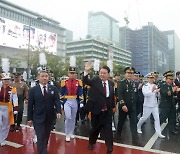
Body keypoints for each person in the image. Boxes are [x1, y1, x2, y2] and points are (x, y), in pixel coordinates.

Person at [83, 61, 115, 154]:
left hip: (107, 112)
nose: (102, 74)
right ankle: (91, 142)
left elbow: (111, 97)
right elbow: (86, 81)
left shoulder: (111, 83)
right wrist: (86, 71)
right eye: (101, 72)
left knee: (108, 130)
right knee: (95, 130)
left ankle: (109, 148)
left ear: (108, 74)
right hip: (96, 111)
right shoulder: (95, 80)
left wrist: (113, 107)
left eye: (104, 73)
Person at [27, 70, 62, 154]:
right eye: (42, 76)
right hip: (38, 117)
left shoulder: (53, 88)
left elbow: (57, 101)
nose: (44, 78)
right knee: (40, 136)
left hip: (49, 117)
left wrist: (58, 111)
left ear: (48, 77)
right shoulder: (33, 90)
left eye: (46, 76)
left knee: (46, 136)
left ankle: (44, 150)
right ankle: (41, 152)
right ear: (38, 78)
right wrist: (29, 118)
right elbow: (30, 105)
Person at [137, 73, 165, 138]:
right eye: (150, 78)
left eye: (152, 78)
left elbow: (157, 95)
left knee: (157, 119)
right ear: (147, 79)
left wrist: (157, 92)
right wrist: (152, 90)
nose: (151, 79)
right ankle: (138, 126)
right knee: (144, 118)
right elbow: (146, 95)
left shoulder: (155, 85)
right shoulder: (145, 86)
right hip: (147, 105)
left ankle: (158, 132)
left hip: (154, 104)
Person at [117, 67, 140, 146]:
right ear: (125, 74)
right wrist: (123, 104)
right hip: (124, 107)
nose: (130, 75)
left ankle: (135, 140)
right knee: (121, 122)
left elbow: (135, 95)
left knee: (133, 123)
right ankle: (118, 135)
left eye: (131, 73)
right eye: (128, 73)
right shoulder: (121, 83)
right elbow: (119, 95)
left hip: (132, 107)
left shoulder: (135, 83)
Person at [60, 67, 84, 142]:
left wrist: (81, 102)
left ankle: (71, 132)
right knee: (68, 117)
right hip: (67, 101)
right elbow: (61, 93)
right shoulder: (64, 82)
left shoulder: (78, 82)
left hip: (74, 100)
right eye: (71, 73)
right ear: (68, 74)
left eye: (73, 73)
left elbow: (80, 92)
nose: (72, 74)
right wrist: (60, 102)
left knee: (73, 118)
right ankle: (67, 133)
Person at [159, 71, 180, 135]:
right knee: (163, 117)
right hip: (165, 104)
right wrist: (173, 90)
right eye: (170, 79)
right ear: (166, 79)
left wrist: (175, 92)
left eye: (172, 79)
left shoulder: (170, 85)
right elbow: (166, 93)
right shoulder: (163, 85)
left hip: (171, 103)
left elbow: (172, 94)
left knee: (172, 117)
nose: (171, 80)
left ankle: (172, 129)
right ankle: (156, 125)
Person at [0, 72, 18, 146]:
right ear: (2, 80)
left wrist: (15, 108)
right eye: (5, 79)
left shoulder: (13, 89)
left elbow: (15, 99)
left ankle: (2, 139)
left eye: (7, 79)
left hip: (8, 108)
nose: (6, 81)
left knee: (6, 125)